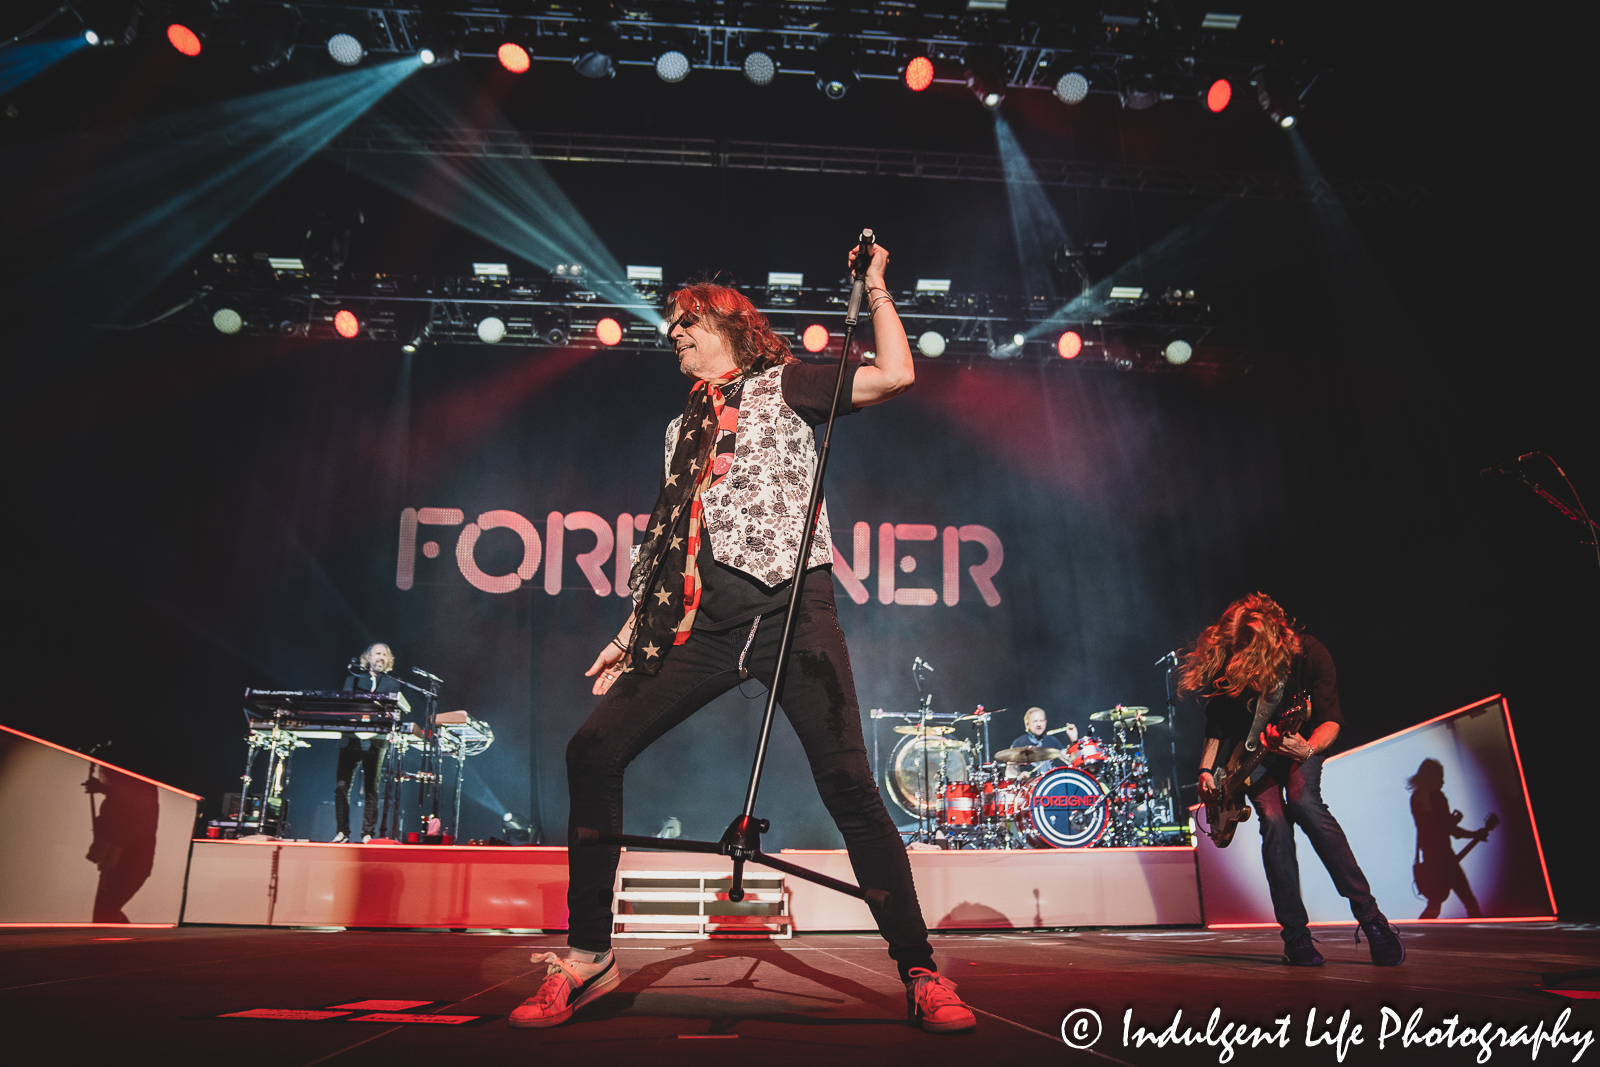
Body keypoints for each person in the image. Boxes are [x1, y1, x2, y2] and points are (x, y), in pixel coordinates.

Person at [510, 242, 975, 1034]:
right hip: (702, 624)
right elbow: (670, 540)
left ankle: (922, 967)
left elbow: (895, 374)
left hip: (794, 615)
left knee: (850, 787)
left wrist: (878, 289)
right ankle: (589, 953)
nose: (676, 337)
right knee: (592, 749)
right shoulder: (679, 427)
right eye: (672, 329)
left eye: (688, 324)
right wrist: (632, 628)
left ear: (732, 325)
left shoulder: (787, 383)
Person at [1182, 593, 1404, 967]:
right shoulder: (1233, 656)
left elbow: (1330, 717)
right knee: (1274, 822)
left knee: (1303, 802)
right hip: (1251, 758)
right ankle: (1296, 937)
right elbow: (1217, 724)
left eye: (1247, 651)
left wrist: (1308, 748)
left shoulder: (1311, 654)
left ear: (1271, 639)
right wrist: (1206, 770)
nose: (1239, 658)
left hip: (1302, 746)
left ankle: (1371, 918)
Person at [334, 643, 408, 843]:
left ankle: (367, 833)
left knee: (371, 789)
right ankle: (342, 832)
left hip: (376, 741)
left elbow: (394, 712)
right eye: (378, 653)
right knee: (342, 786)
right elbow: (344, 707)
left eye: (385, 654)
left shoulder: (392, 683)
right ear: (368, 657)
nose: (381, 657)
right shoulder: (354, 679)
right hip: (351, 739)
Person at [1408, 759, 1487, 919]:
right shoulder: (1437, 796)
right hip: (1446, 858)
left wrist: (1451, 823)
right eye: (1440, 777)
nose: (1443, 781)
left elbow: (1433, 826)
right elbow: (1447, 828)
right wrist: (1473, 833)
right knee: (1469, 901)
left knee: (1435, 904)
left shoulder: (1416, 798)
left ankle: (1418, 937)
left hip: (1430, 858)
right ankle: (1482, 935)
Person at [1005, 706, 1077, 777]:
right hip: (1029, 786)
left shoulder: (1053, 741)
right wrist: (1020, 775)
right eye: (1035, 721)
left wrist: (1074, 740)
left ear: (1045, 722)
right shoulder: (1019, 743)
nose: (1039, 724)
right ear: (1027, 724)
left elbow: (1070, 760)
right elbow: (1009, 771)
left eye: (1041, 721)